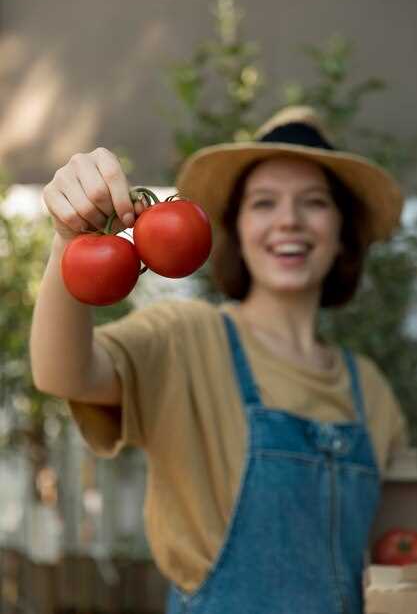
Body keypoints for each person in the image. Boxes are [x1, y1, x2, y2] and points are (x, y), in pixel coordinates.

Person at [30, 105, 410, 614]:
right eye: (264, 203)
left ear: (343, 230)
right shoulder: (185, 338)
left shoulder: (371, 389)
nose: (289, 220)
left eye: (314, 202)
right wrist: (67, 240)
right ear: (235, 226)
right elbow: (62, 373)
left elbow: (392, 554)